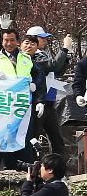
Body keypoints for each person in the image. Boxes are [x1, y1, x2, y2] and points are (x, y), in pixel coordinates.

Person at [0, 28, 37, 170]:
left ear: (17, 42)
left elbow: (39, 77)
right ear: (2, 42)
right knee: (2, 136)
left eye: (12, 40)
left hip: (23, 106)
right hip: (3, 106)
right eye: (6, 40)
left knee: (23, 138)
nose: (9, 43)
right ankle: (3, 168)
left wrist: (38, 95)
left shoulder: (26, 59)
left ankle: (24, 169)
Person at [25, 27, 72, 157]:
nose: (45, 41)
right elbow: (53, 65)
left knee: (57, 140)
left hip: (50, 103)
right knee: (33, 139)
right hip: (38, 103)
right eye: (42, 38)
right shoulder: (31, 57)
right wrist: (64, 48)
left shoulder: (43, 54)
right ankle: (32, 170)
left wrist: (67, 57)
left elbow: (56, 71)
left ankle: (58, 169)